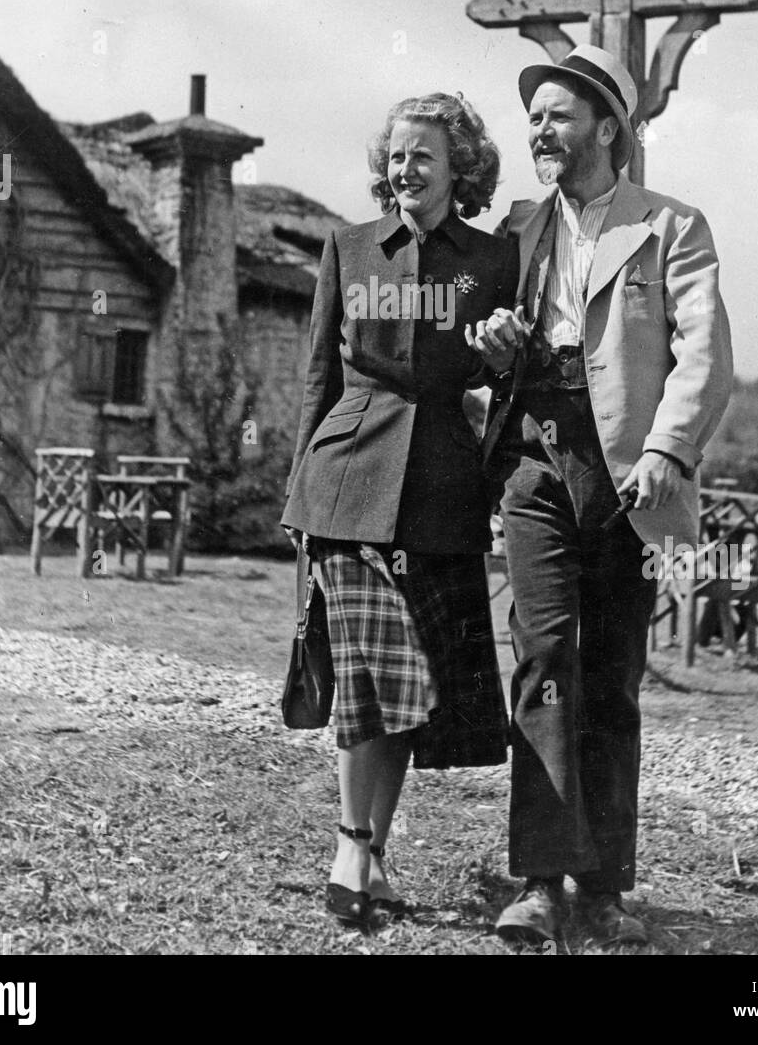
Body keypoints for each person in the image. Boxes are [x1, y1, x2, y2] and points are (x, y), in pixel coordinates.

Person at [467, 44, 734, 947]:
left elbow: (703, 352)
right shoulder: (516, 230)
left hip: (626, 478)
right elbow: (476, 346)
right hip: (534, 468)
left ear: (608, 127)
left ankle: (604, 887)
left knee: (611, 678)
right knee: (543, 664)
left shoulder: (671, 228)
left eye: (557, 115)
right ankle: (540, 882)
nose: (539, 130)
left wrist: (667, 447)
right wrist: (492, 340)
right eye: (533, 116)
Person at [283, 91, 519, 929]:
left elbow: (506, 385)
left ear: (460, 166)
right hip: (347, 478)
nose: (405, 169)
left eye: (423, 155)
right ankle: (350, 843)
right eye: (395, 156)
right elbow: (319, 373)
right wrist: (296, 492)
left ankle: (373, 854)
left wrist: (500, 362)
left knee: (408, 686)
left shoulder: (495, 261)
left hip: (442, 490)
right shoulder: (347, 249)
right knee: (365, 676)